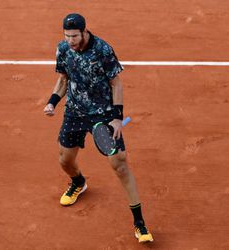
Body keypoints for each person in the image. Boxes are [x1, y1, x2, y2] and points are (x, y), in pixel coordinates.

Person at [44, 13, 153, 243]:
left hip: (102, 115)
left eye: (74, 36)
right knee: (65, 160)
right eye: (66, 36)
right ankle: (78, 183)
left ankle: (139, 223)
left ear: (84, 31)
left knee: (120, 164)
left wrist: (116, 118)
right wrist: (52, 102)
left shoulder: (103, 50)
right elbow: (63, 79)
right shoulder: (63, 49)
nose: (70, 41)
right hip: (74, 111)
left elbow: (116, 83)